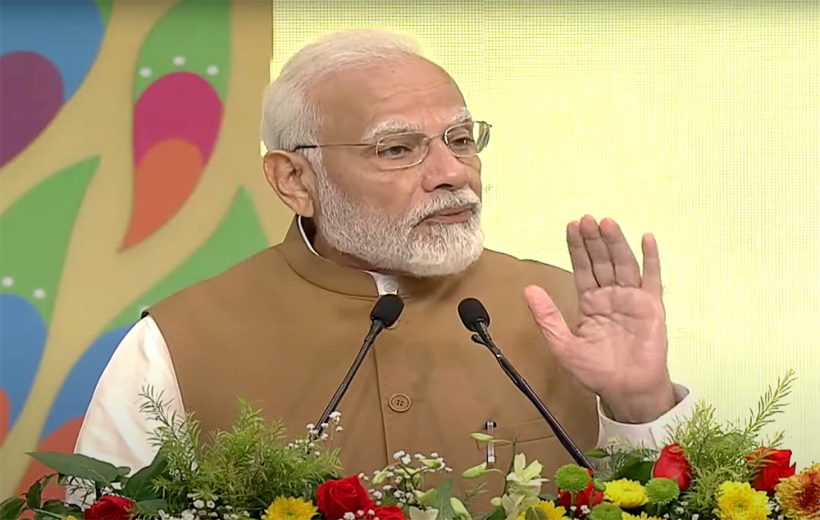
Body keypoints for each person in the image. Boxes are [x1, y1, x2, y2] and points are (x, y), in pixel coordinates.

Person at [73, 29, 693, 500]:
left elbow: (675, 503)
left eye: (459, 139)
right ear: (294, 179)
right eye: (397, 148)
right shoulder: (179, 342)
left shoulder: (564, 308)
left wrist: (640, 404)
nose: (453, 174)